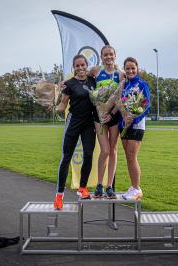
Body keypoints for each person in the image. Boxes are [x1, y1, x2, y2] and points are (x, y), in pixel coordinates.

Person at [52, 54, 96, 209]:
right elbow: (63, 105)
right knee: (66, 158)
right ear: (74, 68)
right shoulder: (69, 84)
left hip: (89, 124)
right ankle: (59, 195)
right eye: (77, 66)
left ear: (86, 65)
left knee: (89, 154)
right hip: (73, 123)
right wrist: (54, 108)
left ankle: (82, 188)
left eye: (82, 65)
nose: (80, 68)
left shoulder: (93, 80)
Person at [88, 45, 124, 199]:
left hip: (114, 116)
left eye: (111, 54)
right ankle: (99, 184)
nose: (108, 57)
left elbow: (121, 97)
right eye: (105, 55)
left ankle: (109, 186)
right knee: (105, 150)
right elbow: (82, 78)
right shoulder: (96, 71)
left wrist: (113, 113)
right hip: (99, 116)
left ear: (115, 55)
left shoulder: (120, 74)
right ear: (101, 57)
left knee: (113, 150)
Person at [119, 57, 150, 200]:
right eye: (127, 68)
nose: (130, 70)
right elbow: (121, 103)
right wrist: (124, 118)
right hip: (124, 125)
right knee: (128, 157)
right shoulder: (124, 84)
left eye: (133, 68)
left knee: (132, 157)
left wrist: (134, 118)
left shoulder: (142, 84)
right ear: (124, 69)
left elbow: (146, 105)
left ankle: (137, 189)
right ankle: (133, 186)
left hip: (136, 125)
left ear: (137, 68)